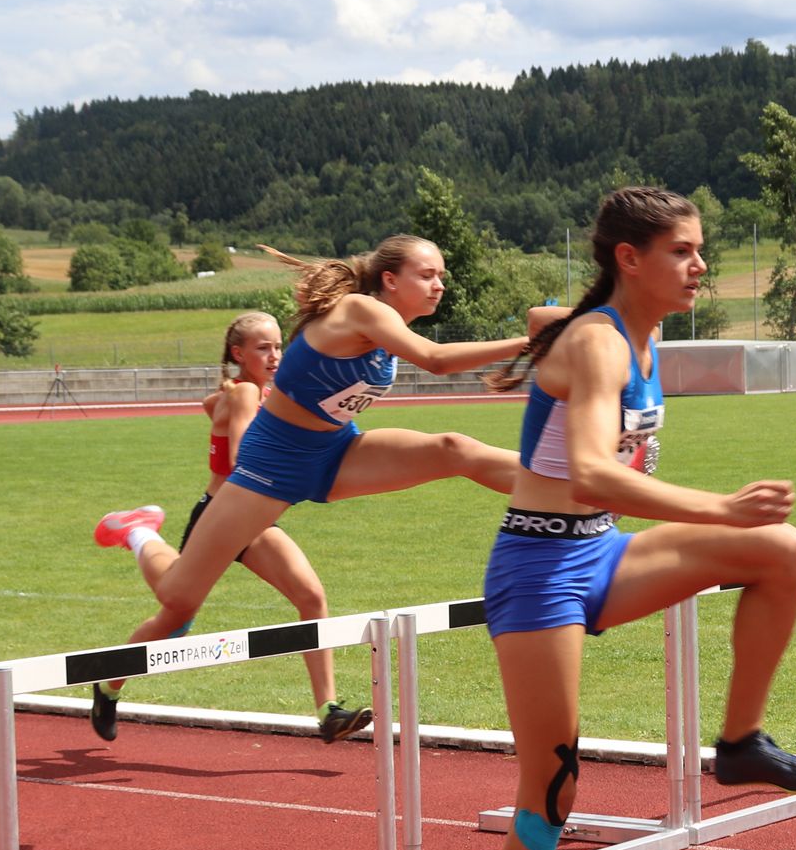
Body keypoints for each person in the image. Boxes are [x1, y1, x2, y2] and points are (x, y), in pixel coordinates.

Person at [475, 185, 796, 850]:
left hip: (601, 553)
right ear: (628, 258)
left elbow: (550, 328)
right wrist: (719, 507)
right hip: (537, 572)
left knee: (781, 551)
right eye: (682, 249)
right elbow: (595, 472)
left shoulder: (633, 329)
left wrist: (542, 330)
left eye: (699, 248)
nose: (701, 265)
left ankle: (743, 740)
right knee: (555, 784)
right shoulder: (600, 342)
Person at [88, 235, 539, 742]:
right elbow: (434, 360)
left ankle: (562, 484)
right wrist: (532, 342)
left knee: (451, 449)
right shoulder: (358, 309)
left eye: (441, 276)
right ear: (390, 279)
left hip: (334, 455)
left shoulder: (384, 324)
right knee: (177, 599)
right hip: (270, 468)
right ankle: (138, 531)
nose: (439, 285)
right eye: (427, 275)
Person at [140, 309, 370, 742]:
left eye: (279, 345)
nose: (275, 355)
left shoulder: (247, 393)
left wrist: (224, 405)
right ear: (238, 353)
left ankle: (328, 710)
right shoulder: (249, 393)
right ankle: (138, 534)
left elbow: (211, 406)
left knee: (311, 596)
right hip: (220, 515)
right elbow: (245, 457)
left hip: (255, 522)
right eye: (263, 347)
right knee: (174, 618)